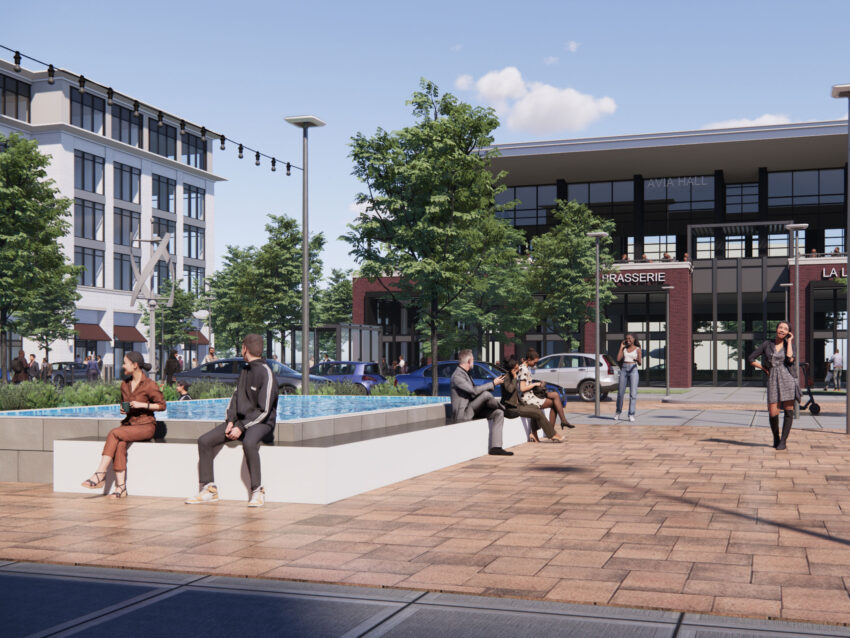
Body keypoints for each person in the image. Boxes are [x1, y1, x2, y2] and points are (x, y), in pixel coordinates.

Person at [186, 334, 278, 507]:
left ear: (245, 348)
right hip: (240, 422)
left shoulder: (266, 372)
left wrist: (241, 427)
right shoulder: (245, 369)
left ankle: (258, 491)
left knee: (249, 443)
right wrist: (230, 420)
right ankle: (209, 489)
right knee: (204, 441)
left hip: (262, 423)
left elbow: (264, 409)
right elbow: (235, 398)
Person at [80, 352, 165, 498]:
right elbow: (125, 406)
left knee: (114, 433)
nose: (123, 366)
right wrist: (124, 409)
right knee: (120, 444)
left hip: (146, 426)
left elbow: (162, 406)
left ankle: (100, 473)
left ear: (135, 365)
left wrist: (142, 405)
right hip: (129, 425)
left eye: (125, 363)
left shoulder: (150, 385)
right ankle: (121, 488)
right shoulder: (124, 384)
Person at [747, 322, 800, 450]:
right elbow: (751, 358)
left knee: (788, 411)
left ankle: (783, 441)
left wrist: (790, 341)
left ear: (788, 333)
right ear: (776, 329)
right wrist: (764, 369)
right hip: (772, 379)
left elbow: (790, 359)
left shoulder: (790, 346)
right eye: (780, 327)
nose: (782, 330)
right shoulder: (767, 344)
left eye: (785, 329)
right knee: (773, 413)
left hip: (788, 379)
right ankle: (776, 437)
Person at [450, 349, 510, 456]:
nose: (474, 362)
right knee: (486, 395)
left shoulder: (466, 373)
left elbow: (473, 394)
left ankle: (496, 448)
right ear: (468, 361)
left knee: (498, 413)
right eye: (473, 360)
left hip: (473, 409)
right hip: (464, 414)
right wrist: (493, 383)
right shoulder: (457, 376)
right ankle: (506, 409)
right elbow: (473, 391)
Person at [501, 356, 563, 443]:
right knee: (537, 412)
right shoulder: (505, 377)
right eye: (517, 366)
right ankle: (552, 435)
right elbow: (510, 389)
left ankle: (533, 434)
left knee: (535, 407)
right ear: (513, 368)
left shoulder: (511, 375)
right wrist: (515, 378)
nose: (518, 367)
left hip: (517, 405)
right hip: (510, 409)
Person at [518, 349, 574, 433]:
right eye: (535, 362)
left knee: (555, 395)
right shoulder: (523, 369)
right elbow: (522, 388)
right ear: (529, 360)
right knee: (555, 403)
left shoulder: (524, 367)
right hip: (528, 398)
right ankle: (553, 429)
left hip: (531, 394)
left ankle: (560, 423)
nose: (535, 365)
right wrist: (535, 384)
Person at [615, 334, 642, 422]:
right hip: (624, 369)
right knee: (620, 393)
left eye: (629, 338)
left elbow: (640, 363)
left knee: (633, 394)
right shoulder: (624, 349)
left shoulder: (638, 349)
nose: (627, 340)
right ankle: (618, 412)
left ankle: (631, 414)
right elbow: (618, 359)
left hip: (633, 370)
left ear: (634, 339)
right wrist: (621, 347)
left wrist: (637, 360)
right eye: (626, 339)